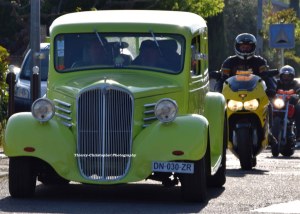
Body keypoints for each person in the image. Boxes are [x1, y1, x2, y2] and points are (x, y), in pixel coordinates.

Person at [276, 65, 300, 141]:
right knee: (266, 107)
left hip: (291, 104)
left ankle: (299, 135)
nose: (286, 78)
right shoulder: (276, 83)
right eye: (284, 76)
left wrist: (294, 91)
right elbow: (271, 88)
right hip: (278, 104)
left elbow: (298, 88)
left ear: (292, 77)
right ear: (281, 76)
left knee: (299, 108)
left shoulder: (295, 83)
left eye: (289, 76)